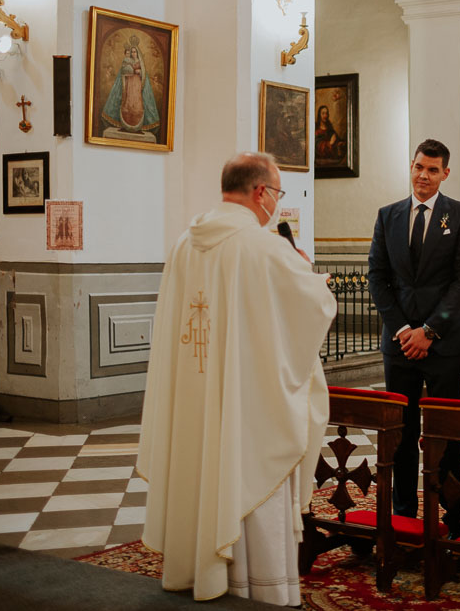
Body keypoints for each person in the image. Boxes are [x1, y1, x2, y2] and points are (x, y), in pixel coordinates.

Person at [137, 152, 335, 604]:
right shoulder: (263, 246)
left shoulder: (185, 242)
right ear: (261, 192)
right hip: (247, 399)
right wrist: (317, 284)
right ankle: (257, 588)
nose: (276, 205)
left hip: (194, 391)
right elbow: (311, 308)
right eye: (278, 194)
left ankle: (192, 569)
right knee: (246, 462)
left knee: (199, 460)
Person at [368, 139, 460, 536]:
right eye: (419, 167)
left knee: (445, 431)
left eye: (433, 170)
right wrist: (403, 330)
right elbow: (377, 279)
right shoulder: (388, 216)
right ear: (411, 166)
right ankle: (402, 515)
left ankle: (453, 516)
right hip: (399, 344)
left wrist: (429, 331)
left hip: (444, 344)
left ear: (445, 174)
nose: (424, 176)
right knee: (401, 432)